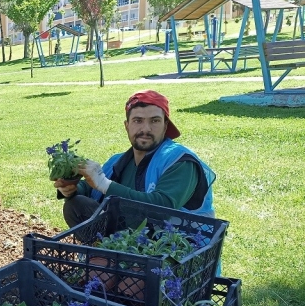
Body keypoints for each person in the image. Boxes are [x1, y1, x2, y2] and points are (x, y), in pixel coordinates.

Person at [55, 89, 215, 228]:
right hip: (132, 244)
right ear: (127, 126)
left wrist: (103, 183)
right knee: (75, 205)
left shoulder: (180, 161)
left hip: (176, 253)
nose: (146, 129)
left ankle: (111, 259)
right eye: (138, 121)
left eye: (155, 121)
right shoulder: (118, 161)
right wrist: (73, 188)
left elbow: (162, 209)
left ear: (165, 126)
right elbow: (93, 190)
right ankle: (107, 257)